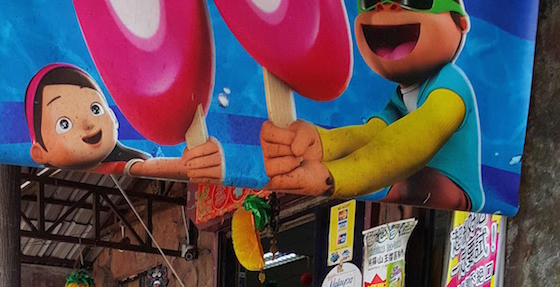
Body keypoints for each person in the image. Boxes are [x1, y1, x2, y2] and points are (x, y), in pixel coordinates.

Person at [260, 0, 483, 212]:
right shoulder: (400, 97)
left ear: (460, 23)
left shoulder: (451, 83)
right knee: (395, 181)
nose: (386, 6)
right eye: (370, 2)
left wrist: (333, 176)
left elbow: (416, 139)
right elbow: (372, 132)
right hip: (414, 192)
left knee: (403, 181)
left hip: (456, 191)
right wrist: (320, 144)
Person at [25, 64, 223, 182]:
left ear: (113, 118)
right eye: (64, 123)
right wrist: (189, 166)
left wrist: (194, 164)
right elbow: (149, 168)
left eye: (96, 109)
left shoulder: (123, 162)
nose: (87, 125)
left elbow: (148, 167)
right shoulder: (121, 166)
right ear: (39, 152)